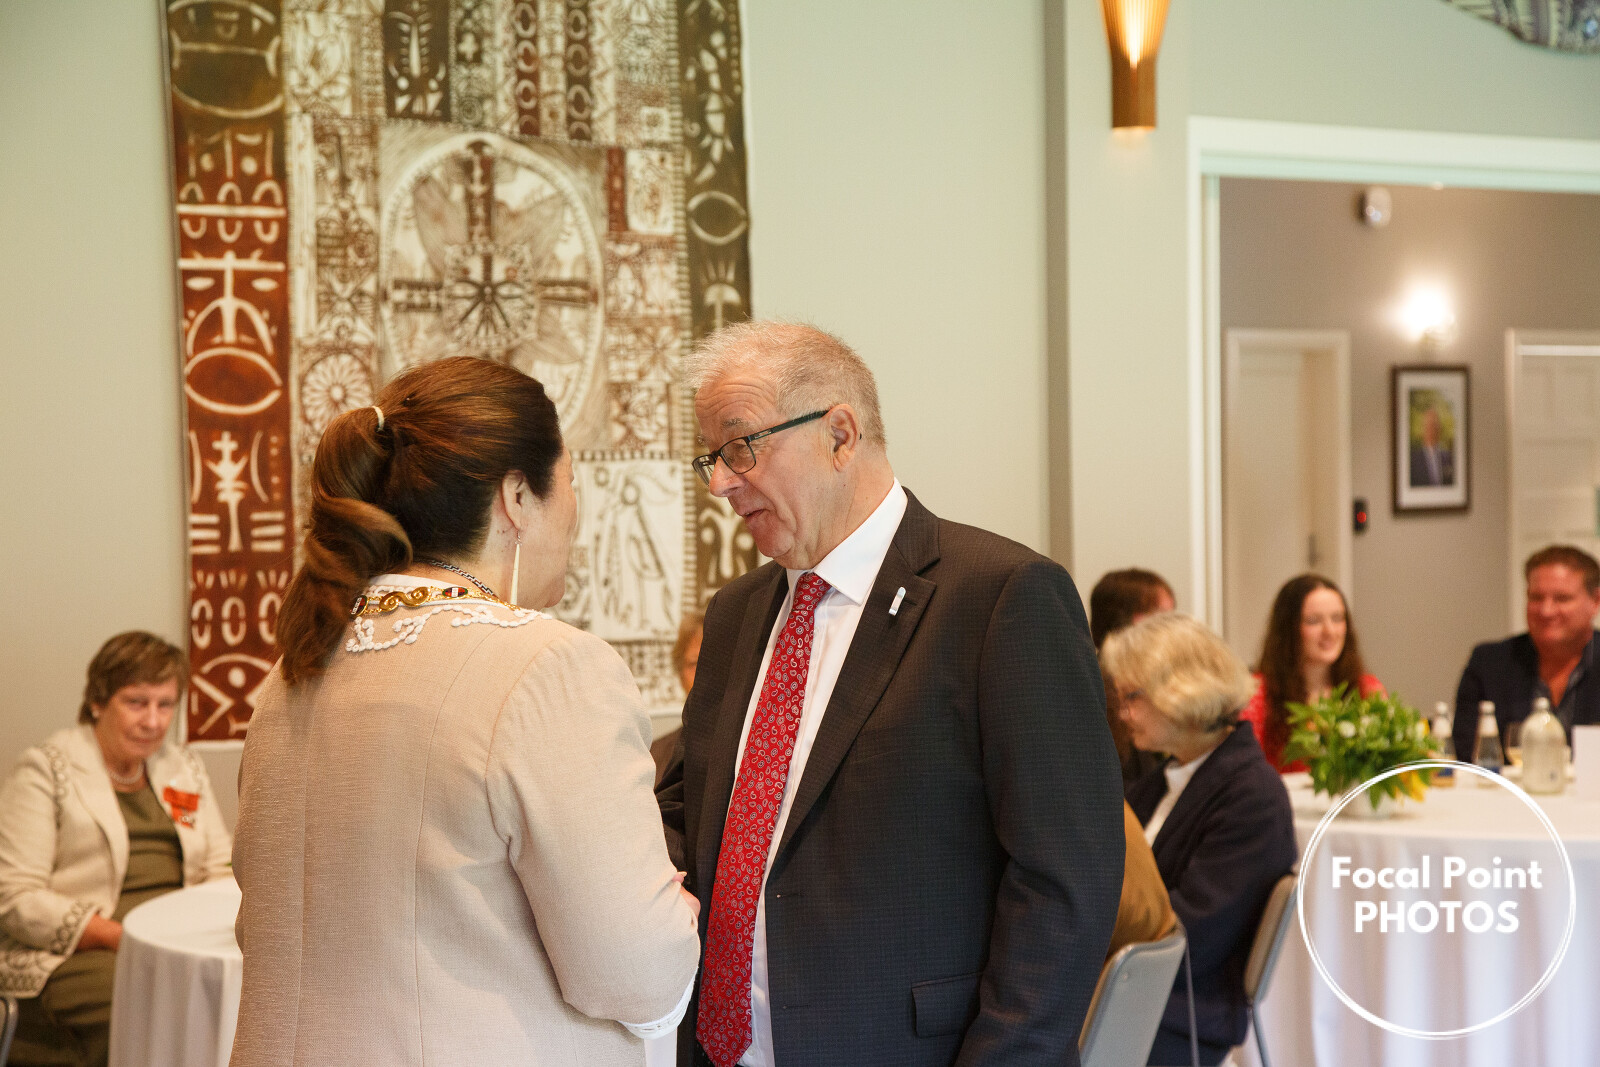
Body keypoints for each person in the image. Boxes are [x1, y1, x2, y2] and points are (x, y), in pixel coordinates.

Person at [657, 322, 1122, 1067]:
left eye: (741, 447)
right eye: (712, 456)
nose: (720, 483)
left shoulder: (1001, 598)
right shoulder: (736, 613)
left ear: (840, 435)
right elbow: (691, 805)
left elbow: (1066, 881)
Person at [230, 357, 700, 1067]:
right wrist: (671, 914)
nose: (576, 515)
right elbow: (641, 978)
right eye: (571, 483)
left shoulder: (293, 669)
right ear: (517, 496)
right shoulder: (549, 667)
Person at [0, 632, 232, 1067]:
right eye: (137, 703)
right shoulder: (46, 769)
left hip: (175, 942)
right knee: (150, 1006)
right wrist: (121, 938)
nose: (153, 722)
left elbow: (218, 866)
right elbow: (15, 896)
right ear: (97, 702)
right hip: (79, 954)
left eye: (165, 705)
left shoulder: (183, 767)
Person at [1103, 614, 1297, 1066]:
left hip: (1175, 1013)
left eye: (1132, 696)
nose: (1124, 713)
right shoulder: (1165, 780)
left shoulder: (1252, 795)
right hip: (1139, 992)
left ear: (1182, 691)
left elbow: (1188, 941)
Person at [1452, 545, 1600, 761]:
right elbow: (1466, 755)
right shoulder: (1490, 663)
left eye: (1562, 599)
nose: (1546, 611)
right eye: (1536, 598)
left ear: (1595, 601)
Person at [1241, 574, 1384, 773]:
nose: (1330, 631)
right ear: (1288, 629)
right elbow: (1243, 770)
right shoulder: (1257, 694)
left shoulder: (1366, 688)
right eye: (1314, 621)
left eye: (1337, 618)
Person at [1089, 568, 1176, 785]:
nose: (1174, 630)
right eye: (1164, 618)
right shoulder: (1103, 692)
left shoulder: (1151, 682)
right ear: (1129, 624)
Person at [651, 612, 705, 783]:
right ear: (680, 675)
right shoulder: (654, 757)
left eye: (711, 663)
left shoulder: (749, 751)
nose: (704, 674)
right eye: (694, 663)